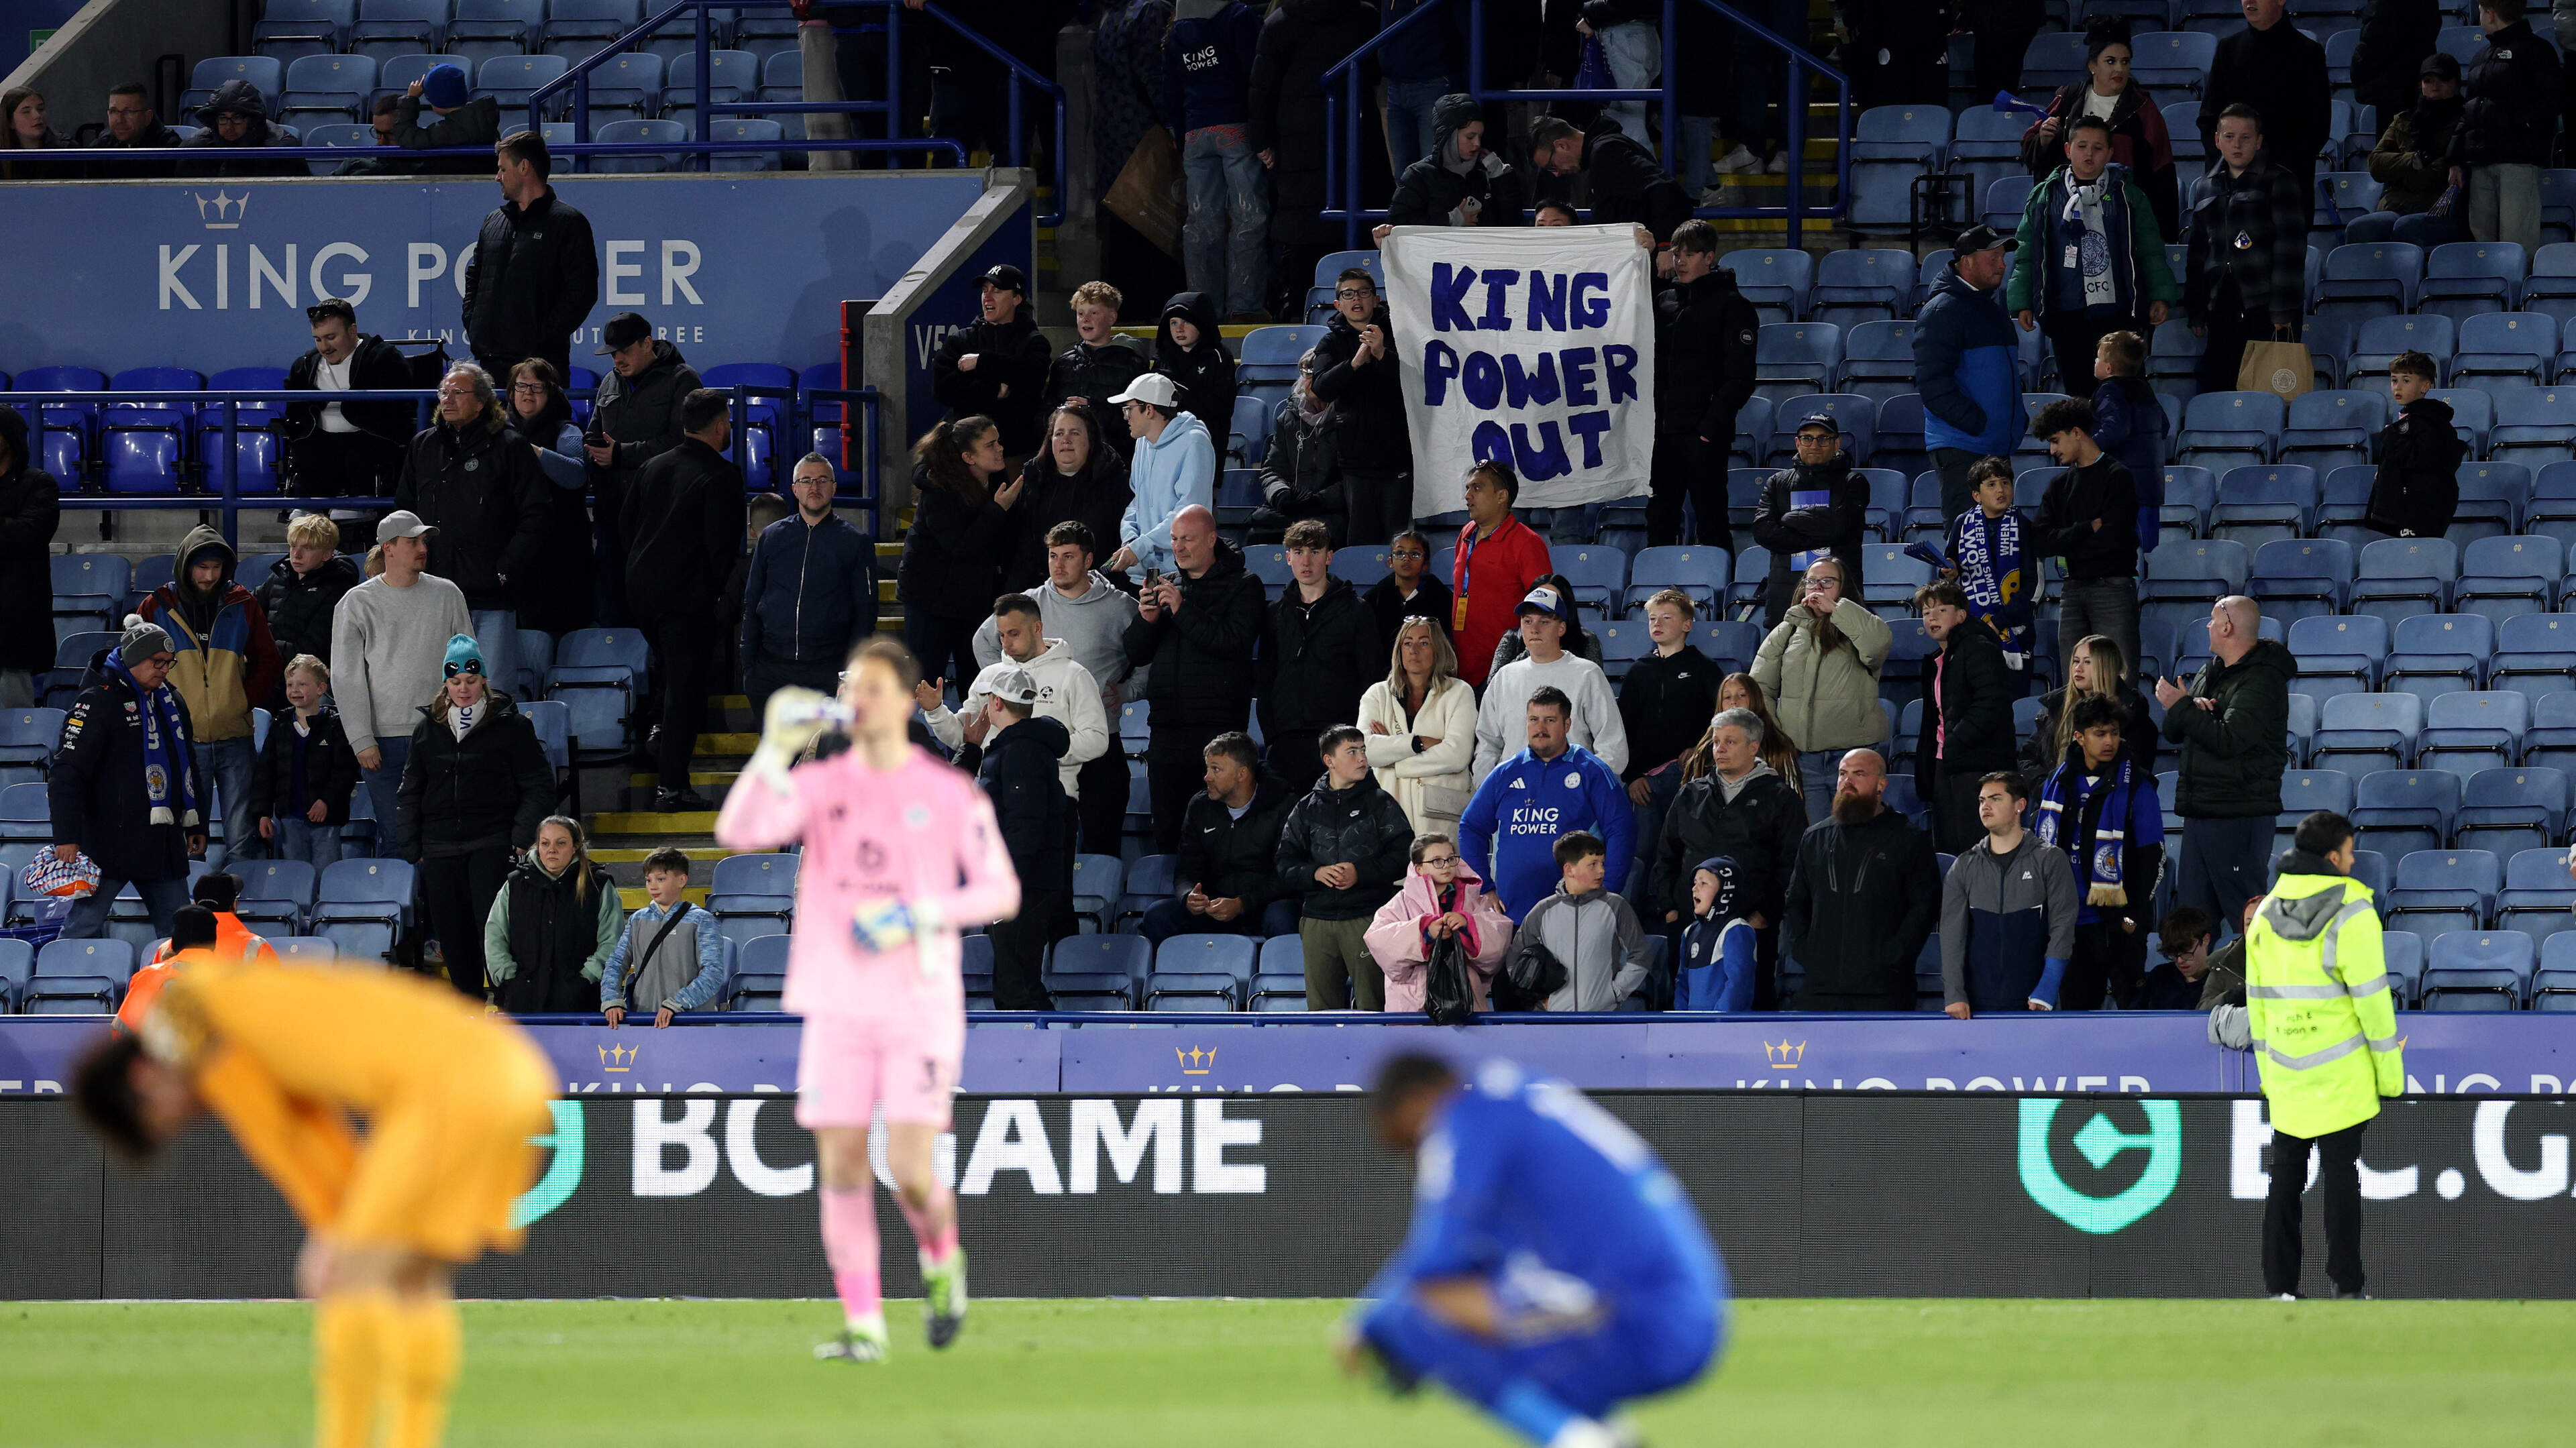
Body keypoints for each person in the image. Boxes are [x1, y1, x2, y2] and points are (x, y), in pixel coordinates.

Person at [68, 963, 554, 1448]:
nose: (190, 1120)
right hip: (511, 1068)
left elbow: (281, 1138)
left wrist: (333, 1234)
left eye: (165, 1119)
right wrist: (343, 1224)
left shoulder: (194, 1025)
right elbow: (317, 1128)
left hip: (449, 1090)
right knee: (413, 1280)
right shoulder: (231, 999)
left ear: (143, 1076)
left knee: (346, 1279)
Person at [715, 638, 1015, 1360]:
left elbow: (999, 891)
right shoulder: (823, 782)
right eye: (853, 685)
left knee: (910, 1170)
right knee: (843, 1162)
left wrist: (917, 915)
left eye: (875, 687)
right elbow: (738, 831)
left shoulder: (947, 790)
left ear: (908, 698)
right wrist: (771, 751)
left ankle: (943, 1259)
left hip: (917, 1004)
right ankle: (864, 1324)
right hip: (835, 1002)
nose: (861, 698)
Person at [1343, 1054, 1725, 1445]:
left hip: (1643, 1322)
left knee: (1413, 1319)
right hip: (1682, 1306)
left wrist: (1367, 1321)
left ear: (1417, 1100)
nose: (1414, 1159)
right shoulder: (1512, 1097)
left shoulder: (1467, 1120)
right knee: (1468, 1300)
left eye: (1408, 1144)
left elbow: (1434, 1263)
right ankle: (1605, 1433)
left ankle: (1581, 1441)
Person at [2245, 810, 2405, 1301]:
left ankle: (2279, 1287)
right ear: (2334, 857)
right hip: (2343, 1071)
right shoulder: (2354, 911)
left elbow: (2259, 1004)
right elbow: (2373, 1000)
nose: (2354, 861)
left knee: (2285, 1179)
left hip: (2289, 1070)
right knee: (2341, 1177)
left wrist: (2270, 1075)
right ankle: (2348, 1286)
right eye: (2351, 852)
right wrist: (2390, 1075)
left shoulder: (2266, 914)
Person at [974, 521, 1143, 854]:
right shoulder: (1028, 602)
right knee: (1043, 849)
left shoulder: (1121, 606)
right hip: (1037, 746)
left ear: (1089, 560)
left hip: (1098, 741)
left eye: (1068, 556)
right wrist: (1007, 689)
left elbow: (1148, 655)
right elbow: (983, 642)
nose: (1059, 565)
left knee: (1101, 842)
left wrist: (1129, 691)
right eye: (1053, 556)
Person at [396, 635, 553, 991]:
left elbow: (539, 783)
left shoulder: (512, 726)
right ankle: (466, 1007)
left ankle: (506, 1002)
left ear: (483, 679)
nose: (463, 689)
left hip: (492, 842)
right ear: (445, 683)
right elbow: (410, 790)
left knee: (494, 930)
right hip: (438, 847)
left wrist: (519, 836)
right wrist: (411, 845)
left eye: (470, 680)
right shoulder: (426, 730)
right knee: (452, 933)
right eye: (455, 682)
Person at [394, 364, 546, 709]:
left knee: (494, 689)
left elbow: (536, 514)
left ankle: (496, 761)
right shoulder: (423, 445)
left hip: (490, 593)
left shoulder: (509, 446)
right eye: (443, 393)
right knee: (435, 691)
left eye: (458, 393)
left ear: (481, 402)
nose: (447, 399)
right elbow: (404, 512)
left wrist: (505, 569)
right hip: (432, 592)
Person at [621, 389, 745, 810]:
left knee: (671, 676)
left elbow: (626, 527)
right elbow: (722, 551)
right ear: (719, 426)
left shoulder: (653, 466)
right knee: (686, 693)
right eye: (727, 419)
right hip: (687, 602)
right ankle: (670, 786)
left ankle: (655, 729)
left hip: (642, 595)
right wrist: (718, 603)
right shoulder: (723, 477)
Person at [48, 618, 205, 942]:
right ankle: (65, 985)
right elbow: (66, 773)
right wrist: (67, 835)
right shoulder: (97, 699)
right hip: (108, 843)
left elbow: (187, 764)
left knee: (180, 935)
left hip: (162, 843)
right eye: (156, 662)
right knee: (82, 927)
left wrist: (197, 825)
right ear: (133, 659)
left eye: (168, 663)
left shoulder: (171, 701)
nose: (164, 669)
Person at [139, 525, 284, 864]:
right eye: (202, 567)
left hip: (235, 737)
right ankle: (189, 912)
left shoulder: (243, 603)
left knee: (241, 836)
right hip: (181, 741)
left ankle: (242, 910)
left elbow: (270, 661)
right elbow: (134, 668)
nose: (209, 575)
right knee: (188, 835)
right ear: (186, 566)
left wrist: (240, 701)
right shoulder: (156, 606)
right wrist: (164, 710)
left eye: (216, 568)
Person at [1125, 505, 1267, 850]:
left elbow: (1231, 642)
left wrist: (1183, 609)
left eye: (1188, 539)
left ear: (1212, 539)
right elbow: (1136, 653)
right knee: (1169, 833)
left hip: (1217, 730)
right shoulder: (1167, 586)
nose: (1179, 547)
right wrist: (1147, 619)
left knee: (1216, 833)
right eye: (1174, 539)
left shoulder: (1245, 585)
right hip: (1166, 729)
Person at [2155, 596, 2296, 936]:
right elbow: (2175, 732)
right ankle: (2202, 992)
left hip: (2239, 814)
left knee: (2248, 922)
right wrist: (2187, 708)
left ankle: (2261, 990)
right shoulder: (2211, 670)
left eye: (2212, 619)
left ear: (2227, 626)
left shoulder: (2263, 679)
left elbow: (2231, 740)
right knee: (2192, 927)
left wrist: (2185, 708)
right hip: (2202, 812)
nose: (2206, 625)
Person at [2006, 115, 2180, 390]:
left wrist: (2160, 295)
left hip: (2119, 310)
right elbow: (2028, 252)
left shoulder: (2129, 195)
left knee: (2123, 391)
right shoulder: (2046, 195)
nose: (2089, 154)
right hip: (2067, 312)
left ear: (2110, 153)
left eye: (2098, 148)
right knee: (2079, 393)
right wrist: (2022, 302)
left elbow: (2150, 251)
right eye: (2082, 146)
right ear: (2068, 150)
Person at [329, 511, 473, 841]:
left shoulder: (448, 594)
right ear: (388, 549)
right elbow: (346, 675)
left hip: (441, 732)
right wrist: (361, 738)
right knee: (397, 839)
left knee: (445, 836)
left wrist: (465, 725)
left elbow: (468, 665)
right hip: (384, 740)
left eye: (424, 541)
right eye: (413, 542)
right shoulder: (356, 602)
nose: (423, 548)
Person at [1652, 705, 1806, 1007]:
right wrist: (1671, 908)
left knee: (1748, 1007)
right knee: (1688, 1008)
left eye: (1730, 742)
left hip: (1751, 927)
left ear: (1754, 747)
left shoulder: (1780, 798)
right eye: (1716, 741)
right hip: (1689, 926)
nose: (1719, 749)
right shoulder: (1690, 794)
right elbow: (1666, 855)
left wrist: (1765, 914)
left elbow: (1793, 865)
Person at [1247, 0, 1389, 320]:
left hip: (1298, 149)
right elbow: (1377, 71)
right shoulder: (1364, 16)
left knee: (1303, 248)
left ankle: (1302, 326)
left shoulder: (1279, 23)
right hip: (1356, 139)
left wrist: (1261, 141)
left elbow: (1262, 88)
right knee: (1359, 233)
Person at [1780, 748, 1943, 1011]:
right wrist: (1806, 953)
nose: (1847, 781)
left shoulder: (1908, 839)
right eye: (1843, 773)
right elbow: (1796, 903)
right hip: (1820, 988)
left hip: (1885, 990)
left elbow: (1924, 908)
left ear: (1881, 784)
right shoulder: (1815, 838)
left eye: (1859, 774)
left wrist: (1893, 956)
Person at [2032, 694, 2165, 1010]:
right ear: (2079, 737)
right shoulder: (2058, 782)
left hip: (2118, 922)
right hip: (2071, 922)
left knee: (2132, 1011)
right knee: (2078, 1016)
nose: (2110, 741)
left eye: (2115, 733)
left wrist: (2132, 917)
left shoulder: (2138, 785)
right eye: (2100, 733)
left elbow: (2152, 858)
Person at [1458, 686, 1635, 923]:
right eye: (1534, 720)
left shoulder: (1591, 771)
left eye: (1550, 720)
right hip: (1511, 914)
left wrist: (1607, 893)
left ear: (1567, 725)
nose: (1540, 729)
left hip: (1576, 915)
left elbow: (1622, 830)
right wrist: (1484, 887)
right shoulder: (1506, 773)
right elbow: (1470, 827)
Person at [921, 592, 1109, 807]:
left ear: (1037, 628)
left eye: (1014, 634)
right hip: (991, 798)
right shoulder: (989, 676)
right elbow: (964, 737)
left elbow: (1097, 739)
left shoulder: (1074, 675)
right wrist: (936, 711)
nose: (1006, 643)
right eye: (1001, 635)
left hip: (1051, 796)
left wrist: (1041, 754)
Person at [1278, 726, 1417, 1009]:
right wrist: (1314, 874)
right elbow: (1284, 863)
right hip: (1318, 920)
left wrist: (1360, 874)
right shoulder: (1306, 808)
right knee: (1320, 1013)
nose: (1362, 758)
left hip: (1369, 917)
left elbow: (1406, 855)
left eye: (1363, 750)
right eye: (1352, 752)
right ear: (1329, 761)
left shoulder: (1381, 803)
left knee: (1374, 1007)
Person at [1752, 556, 1892, 819]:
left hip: (1853, 757)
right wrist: (1779, 738)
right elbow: (1761, 687)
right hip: (1803, 760)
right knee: (1816, 839)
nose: (1817, 587)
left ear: (1844, 588)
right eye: (1811, 581)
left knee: (1857, 837)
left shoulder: (1861, 625)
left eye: (1827, 582)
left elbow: (1877, 647)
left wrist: (1837, 610)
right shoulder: (1787, 630)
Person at [1648, 221, 1759, 551]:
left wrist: (1708, 428)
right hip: (1662, 431)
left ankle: (1719, 594)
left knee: (1711, 517)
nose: (1680, 261)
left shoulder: (1733, 305)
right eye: (1677, 253)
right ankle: (1655, 594)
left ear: (1709, 257)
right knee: (1659, 517)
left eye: (1690, 254)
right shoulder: (1663, 300)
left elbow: (1740, 378)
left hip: (1703, 433)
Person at [584, 311, 702, 624]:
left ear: (647, 343)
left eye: (624, 351)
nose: (617, 360)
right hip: (613, 513)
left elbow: (684, 443)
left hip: (660, 512)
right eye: (612, 354)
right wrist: (592, 450)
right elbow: (594, 430)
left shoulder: (682, 379)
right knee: (612, 602)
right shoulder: (610, 381)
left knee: (657, 606)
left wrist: (622, 455)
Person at [2187, 105, 2310, 397]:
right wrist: (2195, 307)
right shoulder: (2205, 186)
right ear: (2217, 140)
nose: (2237, 144)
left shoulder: (2280, 181)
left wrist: (2282, 309)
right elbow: (2197, 252)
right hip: (2221, 302)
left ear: (2259, 141)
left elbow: (2290, 250)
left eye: (2245, 137)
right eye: (2230, 136)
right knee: (2221, 386)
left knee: (2267, 391)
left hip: (2266, 304)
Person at [2017, 17, 2182, 237]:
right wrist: (2044, 141)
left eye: (2126, 62)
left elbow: (2163, 175)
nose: (2120, 69)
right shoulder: (2069, 99)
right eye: (2111, 61)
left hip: (2125, 219)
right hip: (2067, 214)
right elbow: (2033, 149)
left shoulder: (2143, 108)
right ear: (2092, 66)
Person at [966, 669, 1071, 1010]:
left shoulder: (1020, 751)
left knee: (1018, 984)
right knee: (1017, 980)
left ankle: (1035, 1053)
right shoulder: (1021, 747)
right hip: (1028, 879)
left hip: (1022, 883)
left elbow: (1024, 825)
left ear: (996, 702)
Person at [744, 452, 879, 715]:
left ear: (834, 487)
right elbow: (752, 601)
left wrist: (850, 673)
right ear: (795, 489)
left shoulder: (855, 542)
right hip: (771, 671)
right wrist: (749, 665)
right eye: (806, 481)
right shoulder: (771, 538)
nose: (814, 487)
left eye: (822, 480)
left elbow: (865, 614)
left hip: (827, 672)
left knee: (821, 755)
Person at [463, 130, 600, 383]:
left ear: (524, 167)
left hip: (542, 366)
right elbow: (474, 275)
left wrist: (541, 339)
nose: (497, 177)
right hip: (490, 364)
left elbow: (582, 292)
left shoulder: (568, 222)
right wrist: (474, 325)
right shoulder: (493, 220)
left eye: (503, 169)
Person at [1140, 730, 1301, 944]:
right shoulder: (1200, 806)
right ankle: (1189, 974)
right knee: (1158, 915)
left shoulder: (1284, 805)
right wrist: (1189, 896)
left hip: (1264, 904)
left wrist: (1242, 903)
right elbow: (1185, 870)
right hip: (1216, 906)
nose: (1207, 777)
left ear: (1242, 774)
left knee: (1282, 916)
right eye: (1208, 768)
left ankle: (1281, 976)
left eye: (1216, 769)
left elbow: (1287, 875)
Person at [1939, 771, 2078, 1017]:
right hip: (1976, 1004)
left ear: (2020, 805)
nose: (1986, 807)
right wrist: (1954, 994)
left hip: (2034, 1000)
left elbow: (2063, 928)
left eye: (1996, 799)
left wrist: (2047, 988)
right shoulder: (1964, 866)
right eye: (1982, 801)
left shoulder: (2050, 860)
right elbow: (1952, 938)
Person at [1165, 0, 1271, 321]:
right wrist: (1262, 131)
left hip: (1195, 134)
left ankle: (1200, 309)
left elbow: (1170, 88)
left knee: (1200, 225)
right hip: (1236, 128)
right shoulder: (1238, 16)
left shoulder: (1176, 30)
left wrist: (1181, 133)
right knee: (1248, 219)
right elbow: (1254, 74)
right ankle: (1244, 308)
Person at [1260, 519, 1386, 789]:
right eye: (1298, 552)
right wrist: (1272, 735)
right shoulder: (1275, 614)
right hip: (1286, 742)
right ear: (1288, 558)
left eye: (1314, 552)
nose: (1306, 561)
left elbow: (1371, 676)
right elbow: (1267, 676)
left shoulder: (1356, 611)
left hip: (1339, 739)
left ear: (1329, 557)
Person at [2029, 396, 2143, 689]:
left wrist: (2065, 540)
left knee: (2118, 680)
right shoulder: (2059, 486)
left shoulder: (2117, 477)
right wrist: (2084, 529)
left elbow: (2115, 540)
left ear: (2077, 433)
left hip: (2113, 590)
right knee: (2074, 686)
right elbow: (2039, 542)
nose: (2052, 450)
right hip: (2072, 590)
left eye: (2056, 441)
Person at [1915, 227, 2027, 522]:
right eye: (1993, 257)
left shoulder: (1991, 306)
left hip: (1992, 446)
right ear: (1967, 262)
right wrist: (1978, 423)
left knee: (1995, 546)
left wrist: (2014, 422)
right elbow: (1933, 385)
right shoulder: (1942, 311)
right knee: (1967, 544)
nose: (2002, 264)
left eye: (2003, 257)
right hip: (1965, 448)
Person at [900, 414, 1014, 695]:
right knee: (927, 683)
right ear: (968, 457)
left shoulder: (997, 478)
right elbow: (961, 547)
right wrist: (997, 511)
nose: (1000, 449)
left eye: (998, 441)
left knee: (976, 684)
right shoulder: (938, 491)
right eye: (991, 445)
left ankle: (972, 739)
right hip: (930, 603)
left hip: (972, 600)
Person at [1472, 588, 1628, 780]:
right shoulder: (1504, 677)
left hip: (1571, 795)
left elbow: (1612, 746)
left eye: (1544, 622)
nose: (1534, 629)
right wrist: (1489, 791)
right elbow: (1487, 745)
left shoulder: (1587, 674)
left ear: (1561, 628)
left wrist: (1585, 788)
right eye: (1527, 621)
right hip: (1515, 796)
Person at [1914, 581, 2021, 853]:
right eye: (1926, 613)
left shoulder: (1978, 647)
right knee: (1950, 850)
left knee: (1975, 850)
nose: (1932, 618)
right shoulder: (1939, 658)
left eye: (1941, 610)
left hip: (1976, 765)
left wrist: (1956, 739)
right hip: (1947, 763)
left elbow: (1991, 704)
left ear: (1961, 615)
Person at [1311, 268, 1415, 546]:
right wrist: (1354, 363)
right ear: (1338, 304)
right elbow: (1321, 388)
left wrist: (1382, 353)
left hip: (1398, 457)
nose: (1356, 299)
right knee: (1360, 540)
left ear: (1377, 299)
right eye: (1348, 294)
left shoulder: (1399, 333)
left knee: (1399, 541)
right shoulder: (1331, 341)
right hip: (1355, 461)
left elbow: (1418, 382)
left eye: (1363, 292)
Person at [2450, 0, 2563, 256]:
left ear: (2489, 13)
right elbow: (2468, 112)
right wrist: (2455, 159)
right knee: (2484, 247)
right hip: (2481, 163)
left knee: (2516, 246)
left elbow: (2555, 100)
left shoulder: (2537, 51)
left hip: (2518, 163)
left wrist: (2516, 122)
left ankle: (2518, 294)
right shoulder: (2482, 56)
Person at [483, 815, 621, 1015]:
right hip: (523, 1002)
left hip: (581, 1003)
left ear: (575, 847)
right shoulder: (514, 884)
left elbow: (612, 941)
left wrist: (586, 978)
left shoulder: (598, 885)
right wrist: (509, 979)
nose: (552, 850)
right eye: (545, 843)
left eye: (561, 843)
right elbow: (495, 935)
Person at [499, 359, 597, 636]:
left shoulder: (566, 431)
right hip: (513, 549)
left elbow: (576, 474)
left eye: (536, 387)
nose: (527, 393)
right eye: (521, 385)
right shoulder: (496, 431)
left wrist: (532, 450)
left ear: (551, 392)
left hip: (561, 551)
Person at [1357, 616, 1478, 839]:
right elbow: (1365, 751)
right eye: (1407, 642)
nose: (1414, 650)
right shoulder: (1377, 694)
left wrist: (1393, 760)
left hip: (1441, 817)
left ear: (1437, 650)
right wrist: (1419, 743)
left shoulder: (1459, 692)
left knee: (1443, 871)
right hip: (1389, 815)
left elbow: (1457, 755)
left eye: (1424, 643)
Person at [282, 298, 415, 500]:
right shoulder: (305, 365)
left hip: (370, 453)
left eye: (331, 337)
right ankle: (308, 507)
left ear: (352, 331)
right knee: (309, 449)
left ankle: (359, 505)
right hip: (320, 456)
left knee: (361, 447)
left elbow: (397, 415)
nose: (324, 347)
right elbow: (294, 410)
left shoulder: (385, 359)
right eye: (318, 339)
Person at [1367, 833, 1513, 1013]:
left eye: (1451, 859)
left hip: (1467, 1002)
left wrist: (1469, 925)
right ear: (1419, 869)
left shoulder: (1475, 899)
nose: (1446, 866)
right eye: (1437, 861)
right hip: (1414, 1006)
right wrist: (1425, 932)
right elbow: (1379, 941)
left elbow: (1499, 940)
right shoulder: (1400, 904)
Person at [1508, 831, 1652, 1011]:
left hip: (1603, 1020)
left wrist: (1615, 993)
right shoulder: (1543, 910)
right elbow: (1516, 960)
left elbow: (1641, 955)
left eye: (1602, 863)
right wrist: (1539, 998)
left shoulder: (1616, 906)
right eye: (1593, 865)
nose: (1602, 871)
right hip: (1553, 1021)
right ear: (1569, 869)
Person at [1752, 412, 1870, 628]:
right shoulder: (1777, 483)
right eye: (1807, 438)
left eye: (1823, 438)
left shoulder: (1854, 482)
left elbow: (1840, 527)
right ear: (1797, 443)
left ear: (1837, 444)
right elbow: (1762, 531)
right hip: (1785, 596)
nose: (1814, 444)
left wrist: (1788, 521)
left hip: (1840, 596)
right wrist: (1820, 536)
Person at [2200, 0, 2332, 193]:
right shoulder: (2227, 49)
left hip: (2286, 188)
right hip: (2230, 185)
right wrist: (2232, 162)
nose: (2249, 1)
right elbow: (2208, 119)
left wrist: (2265, 168)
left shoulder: (2309, 53)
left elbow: (2316, 128)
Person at [1001, 403, 1132, 592]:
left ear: (1091, 440)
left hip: (1098, 591)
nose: (1066, 440)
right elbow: (1023, 550)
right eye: (1059, 433)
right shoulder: (1032, 482)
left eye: (1075, 433)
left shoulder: (1117, 482)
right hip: (1041, 591)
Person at [596, 845, 729, 1026]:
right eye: (648, 880)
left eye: (660, 879)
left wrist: (677, 1003)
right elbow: (615, 963)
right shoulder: (637, 920)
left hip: (690, 1025)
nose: (653, 886)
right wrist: (611, 1000)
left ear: (682, 880)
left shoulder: (702, 921)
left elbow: (713, 974)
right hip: (644, 1022)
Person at [1449, 460, 1554, 689]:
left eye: (1477, 488)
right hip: (1463, 668)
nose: (1468, 496)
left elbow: (1544, 608)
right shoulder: (1466, 534)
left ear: (1501, 496)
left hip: (1508, 671)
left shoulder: (1527, 542)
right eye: (1467, 488)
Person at [248, 655, 359, 871]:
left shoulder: (335, 726)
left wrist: (326, 801)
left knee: (326, 873)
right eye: (290, 684)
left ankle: (324, 905)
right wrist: (262, 813)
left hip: (326, 819)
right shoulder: (280, 726)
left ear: (321, 688)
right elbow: (265, 774)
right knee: (296, 874)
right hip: (290, 818)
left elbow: (344, 772)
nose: (295, 690)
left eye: (302, 684)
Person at [933, 264, 1053, 459]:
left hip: (1016, 451)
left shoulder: (1034, 342)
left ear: (1017, 298)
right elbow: (943, 389)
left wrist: (981, 363)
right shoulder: (961, 340)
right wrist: (993, 391)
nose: (987, 297)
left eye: (997, 291)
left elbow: (1030, 379)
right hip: (967, 451)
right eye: (985, 290)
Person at [1108, 373, 1218, 583]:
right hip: (1142, 573)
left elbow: (1188, 515)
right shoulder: (1142, 442)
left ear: (1149, 409)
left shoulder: (1195, 443)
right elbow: (1137, 501)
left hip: (1182, 575)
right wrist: (1131, 538)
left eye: (1128, 409)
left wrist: (1142, 545)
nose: (1125, 417)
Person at [1940, 458, 2040, 679]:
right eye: (1991, 484)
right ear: (1977, 495)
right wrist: (1951, 571)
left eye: (2005, 482)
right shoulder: (1962, 523)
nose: (2001, 490)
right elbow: (1950, 564)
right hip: (1974, 628)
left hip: (2016, 627)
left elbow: (2030, 584)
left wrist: (1998, 623)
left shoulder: (2023, 525)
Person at [2356, 53, 2469, 246]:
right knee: (2361, 229)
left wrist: (2400, 171)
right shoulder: (2404, 120)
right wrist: (2414, 161)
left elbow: (2438, 173)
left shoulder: (2466, 120)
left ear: (2456, 84)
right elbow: (2375, 163)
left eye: (2443, 80)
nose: (2435, 86)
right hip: (2395, 206)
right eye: (2428, 80)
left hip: (2441, 208)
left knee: (2407, 227)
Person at [1524, 113, 1693, 243]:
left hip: (1650, 261)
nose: (1556, 173)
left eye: (1551, 165)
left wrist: (1665, 244)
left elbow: (1666, 189)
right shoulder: (1603, 152)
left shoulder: (1607, 153)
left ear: (1561, 145)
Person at [254, 518, 364, 716]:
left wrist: (261, 652)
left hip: (306, 683)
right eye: (293, 546)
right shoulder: (280, 576)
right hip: (269, 674)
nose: (296, 554)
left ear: (327, 554)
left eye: (307, 548)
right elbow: (250, 609)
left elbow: (313, 647)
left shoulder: (337, 588)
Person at [1381, 93, 1532, 231]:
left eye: (1480, 136)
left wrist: (1501, 177)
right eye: (1470, 137)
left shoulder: (1486, 173)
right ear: (1449, 136)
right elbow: (1398, 225)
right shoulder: (1418, 175)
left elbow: (1512, 224)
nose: (1477, 144)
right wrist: (1449, 221)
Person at [2023, 632, 2158, 779]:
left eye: (2087, 662)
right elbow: (2028, 758)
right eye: (2076, 661)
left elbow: (2135, 770)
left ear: (2107, 667)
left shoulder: (2132, 713)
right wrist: (2046, 787)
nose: (2078, 669)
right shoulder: (2056, 705)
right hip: (2054, 797)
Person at [2362, 349, 2467, 539]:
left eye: (2406, 381)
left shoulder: (2430, 423)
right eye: (2394, 380)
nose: (2398, 387)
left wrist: (2391, 439)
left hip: (2421, 510)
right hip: (2403, 508)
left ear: (2425, 386)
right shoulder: (2407, 422)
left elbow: (2423, 462)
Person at [1619, 590, 1720, 785]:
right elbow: (1625, 726)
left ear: (1687, 624)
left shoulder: (1705, 668)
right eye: (1652, 618)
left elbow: (1721, 718)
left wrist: (1701, 748)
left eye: (1666, 618)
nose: (1657, 623)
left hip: (1691, 772)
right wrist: (1632, 776)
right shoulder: (1638, 670)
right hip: (1644, 777)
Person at [0, 404, 62, 709]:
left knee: (13, 737)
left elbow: (26, 536)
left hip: (14, 629)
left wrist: (13, 529)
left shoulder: (39, 484)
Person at [2086, 330, 2165, 550]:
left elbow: (2115, 430)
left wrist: (2086, 448)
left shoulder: (2109, 391)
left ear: (2109, 368)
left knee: (2123, 557)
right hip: (2151, 489)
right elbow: (2164, 427)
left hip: (2123, 491)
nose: (2095, 361)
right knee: (2146, 554)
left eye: (2099, 358)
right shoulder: (2145, 390)